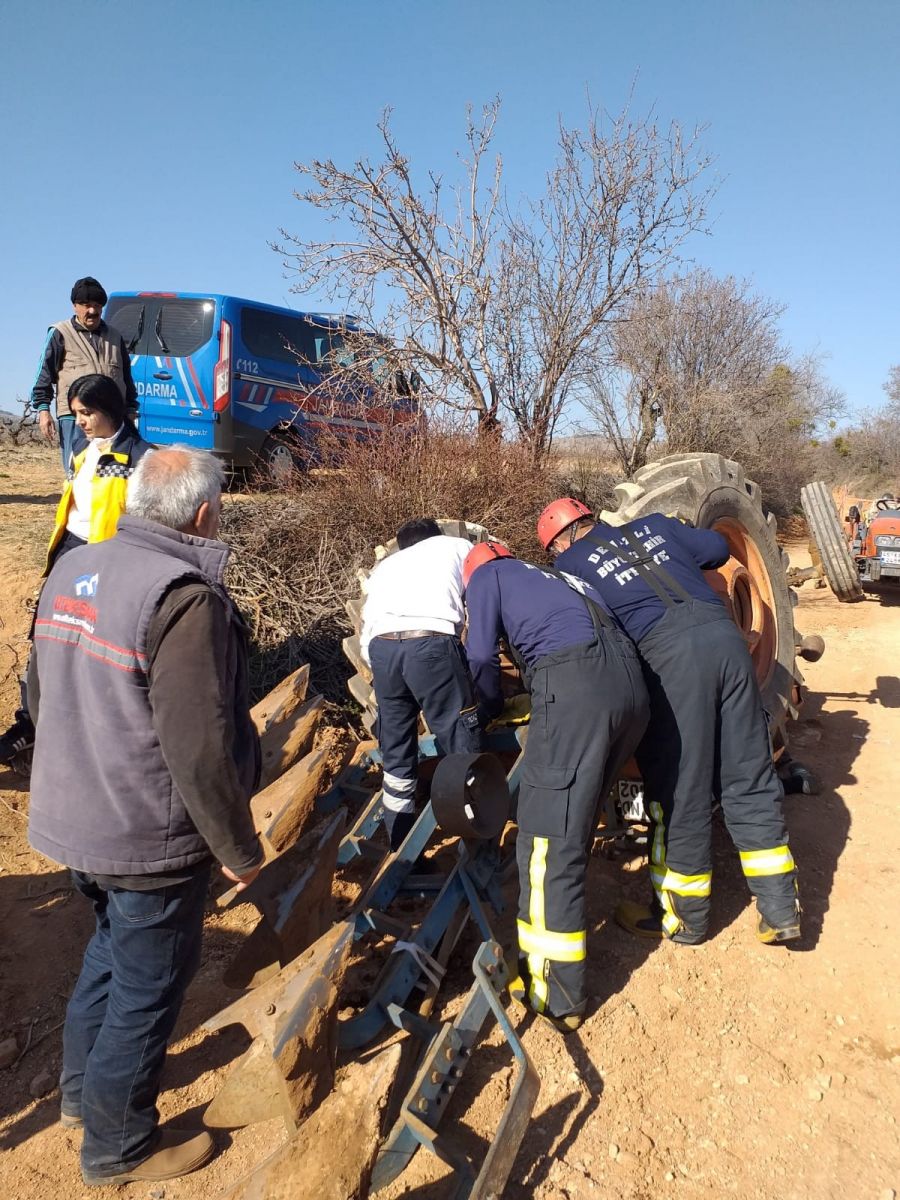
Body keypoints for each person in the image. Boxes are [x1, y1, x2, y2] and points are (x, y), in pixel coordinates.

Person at [27, 447, 263, 1186]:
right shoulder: (182, 597)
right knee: (150, 984)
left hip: (74, 814)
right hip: (142, 833)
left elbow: (38, 695)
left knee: (109, 949)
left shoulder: (72, 568)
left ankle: (79, 1096)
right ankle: (119, 1145)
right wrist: (238, 847)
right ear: (204, 513)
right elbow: (199, 745)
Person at [536, 498, 800, 947]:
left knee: (682, 789)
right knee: (749, 776)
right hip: (727, 644)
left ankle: (686, 919)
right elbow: (717, 548)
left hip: (671, 662)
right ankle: (781, 910)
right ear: (590, 518)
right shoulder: (656, 525)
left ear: (559, 544)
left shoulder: (570, 566)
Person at [463, 541, 649, 1032]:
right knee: (578, 820)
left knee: (545, 839)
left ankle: (554, 992)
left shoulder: (486, 576)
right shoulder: (559, 578)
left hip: (578, 689)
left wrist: (487, 709)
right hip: (631, 691)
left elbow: (480, 655)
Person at [0, 374, 154, 764]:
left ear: (109, 408)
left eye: (86, 413)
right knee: (44, 637)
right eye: (75, 414)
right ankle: (31, 723)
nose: (80, 422)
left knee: (91, 647)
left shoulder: (141, 458)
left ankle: (84, 733)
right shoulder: (82, 450)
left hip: (107, 563)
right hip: (68, 553)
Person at [360, 518, 483, 849]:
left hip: (382, 650)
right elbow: (484, 592)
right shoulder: (457, 546)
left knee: (397, 752)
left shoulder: (385, 567)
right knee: (460, 738)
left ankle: (399, 844)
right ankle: (474, 840)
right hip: (430, 643)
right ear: (436, 535)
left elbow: (366, 629)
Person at [31, 276, 138, 468]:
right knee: (77, 471)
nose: (92, 311)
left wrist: (130, 410)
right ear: (75, 306)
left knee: (112, 472)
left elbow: (126, 378)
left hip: (112, 419)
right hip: (75, 419)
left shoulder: (115, 336)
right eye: (86, 305)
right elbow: (44, 374)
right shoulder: (60, 333)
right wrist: (43, 410)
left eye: (97, 306)